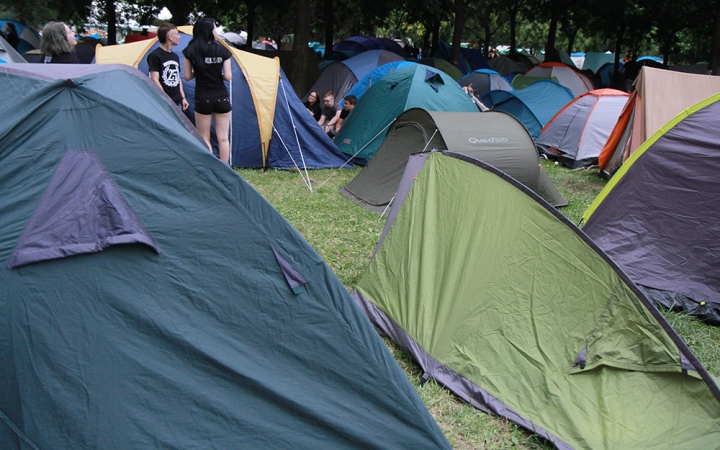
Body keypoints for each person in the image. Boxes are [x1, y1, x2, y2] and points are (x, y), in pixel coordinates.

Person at [183, 18, 232, 164]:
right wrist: (219, 75)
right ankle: (225, 170)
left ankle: (210, 169)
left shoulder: (191, 50)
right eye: (214, 28)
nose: (216, 31)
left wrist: (199, 71)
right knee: (223, 137)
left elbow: (187, 76)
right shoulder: (222, 50)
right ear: (209, 31)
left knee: (204, 138)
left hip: (202, 97)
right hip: (221, 96)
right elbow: (228, 76)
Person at [147, 23, 189, 112]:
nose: (179, 37)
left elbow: (177, 78)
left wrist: (183, 97)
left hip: (176, 102)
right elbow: (154, 79)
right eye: (177, 34)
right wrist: (165, 98)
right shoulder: (155, 55)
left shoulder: (175, 56)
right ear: (170, 37)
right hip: (163, 102)